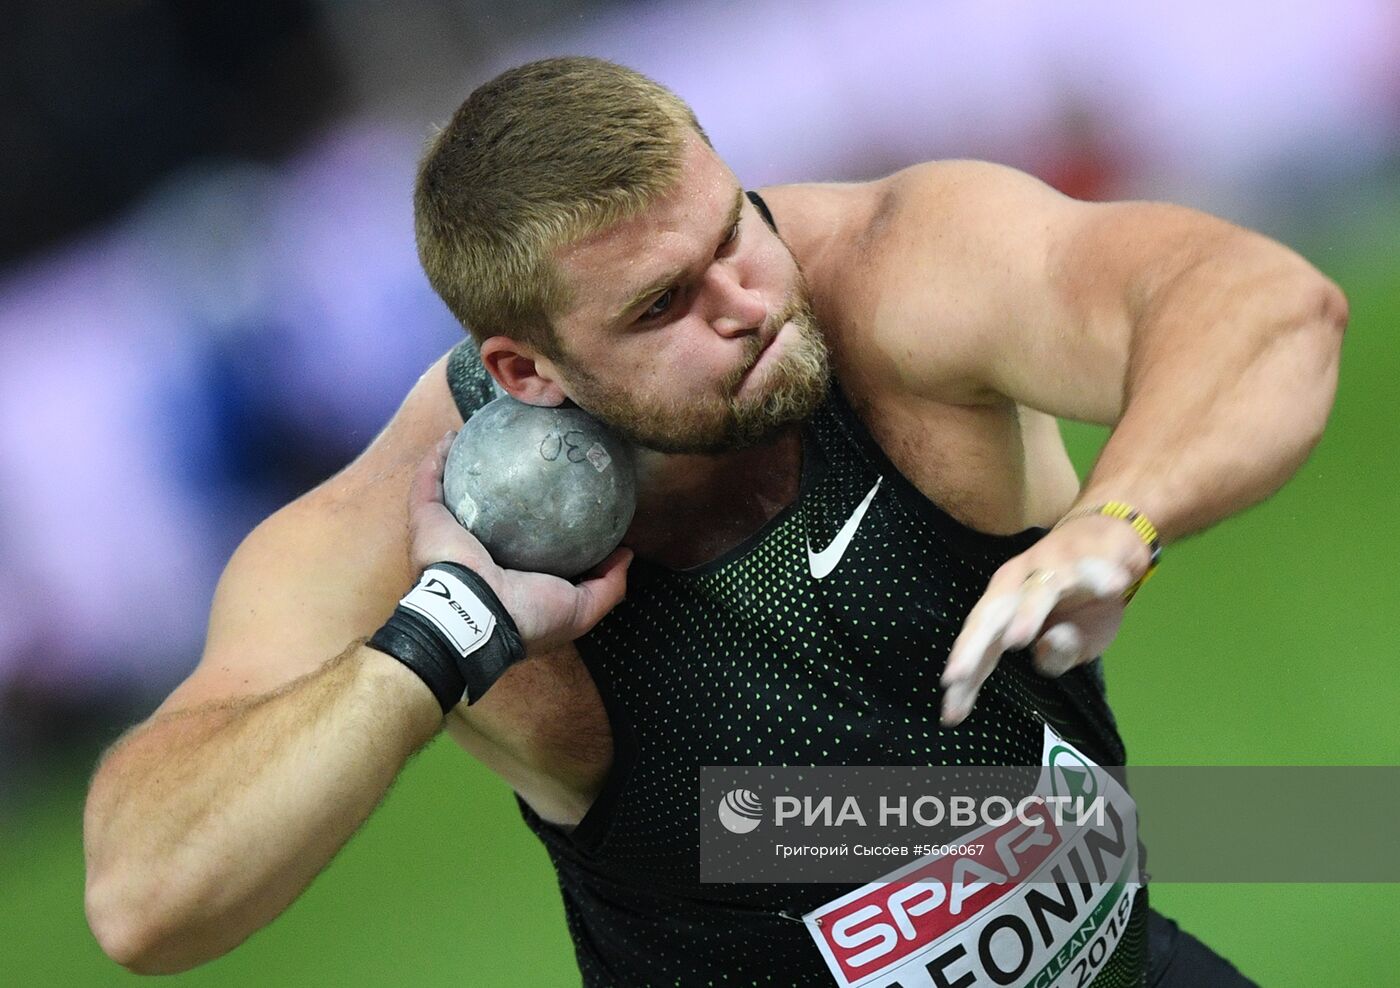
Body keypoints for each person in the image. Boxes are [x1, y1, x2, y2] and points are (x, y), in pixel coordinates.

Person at [82, 57, 1345, 986]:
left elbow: (1265, 306)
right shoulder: (406, 515)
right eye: (660, 305)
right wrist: (439, 635)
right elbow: (147, 897)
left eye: (733, 222)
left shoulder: (888, 275)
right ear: (526, 370)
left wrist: (1118, 517)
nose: (745, 301)